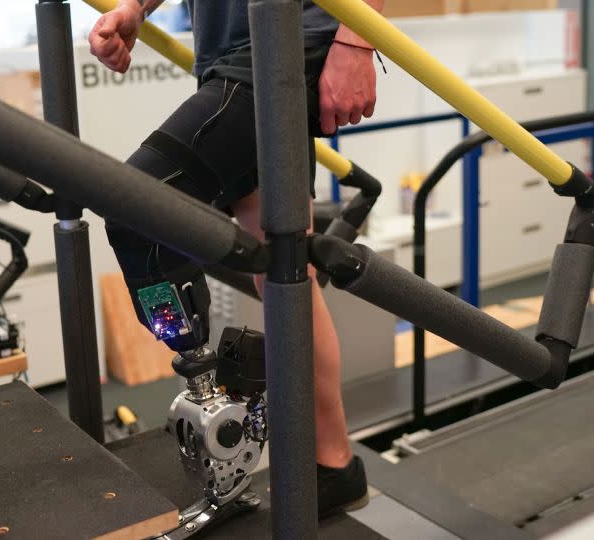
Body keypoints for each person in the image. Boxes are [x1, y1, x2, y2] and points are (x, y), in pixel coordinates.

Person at [89, 0, 383, 515]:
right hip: (229, 53)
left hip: (288, 42)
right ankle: (336, 467)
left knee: (138, 204)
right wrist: (137, 7)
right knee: (287, 277)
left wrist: (357, 38)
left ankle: (202, 382)